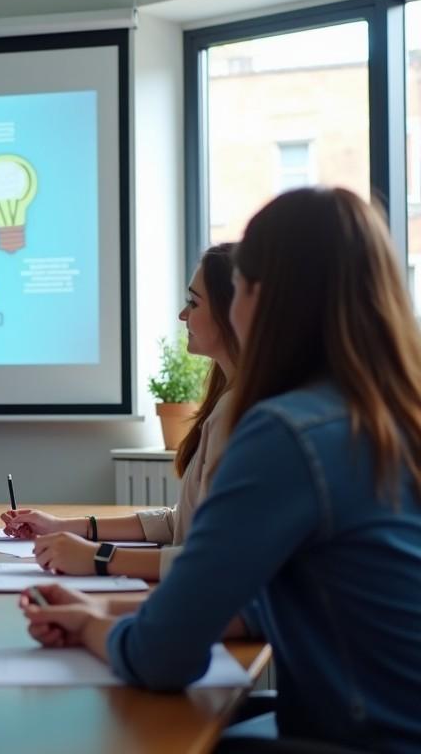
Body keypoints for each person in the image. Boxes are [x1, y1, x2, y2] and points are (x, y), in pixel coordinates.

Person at [21, 188, 421, 752]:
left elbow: (163, 657)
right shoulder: (388, 416)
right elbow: (259, 604)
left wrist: (88, 625)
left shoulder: (286, 432)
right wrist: (100, 605)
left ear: (259, 298)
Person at [2, 243, 239, 581]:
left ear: (235, 311)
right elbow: (180, 521)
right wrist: (65, 527)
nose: (182, 315)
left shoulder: (238, 411)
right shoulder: (224, 399)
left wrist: (99, 558)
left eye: (193, 302)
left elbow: (213, 560)